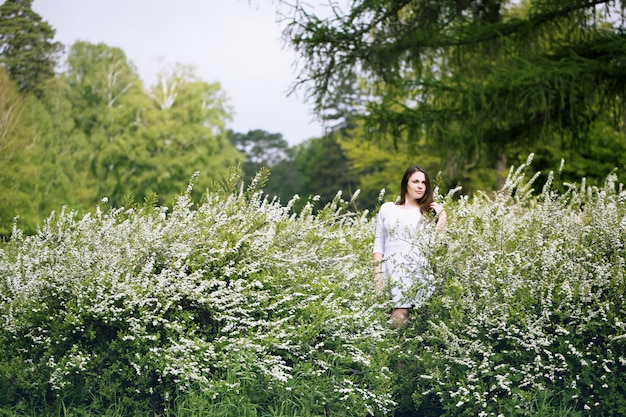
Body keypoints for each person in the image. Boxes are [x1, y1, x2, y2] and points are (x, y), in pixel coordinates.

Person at [372, 165, 446, 328]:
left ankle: (394, 348)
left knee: (401, 310)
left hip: (416, 270)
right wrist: (378, 276)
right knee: (385, 314)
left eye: (424, 183)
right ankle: (394, 348)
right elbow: (379, 244)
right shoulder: (387, 209)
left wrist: (442, 218)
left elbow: (435, 246)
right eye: (416, 181)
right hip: (390, 270)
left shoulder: (427, 211)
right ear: (406, 183)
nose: (420, 186)